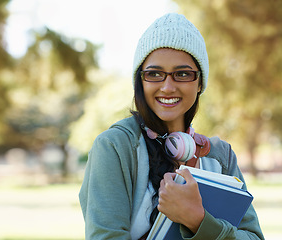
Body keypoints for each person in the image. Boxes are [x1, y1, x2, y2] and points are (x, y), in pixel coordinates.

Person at [79, 13, 264, 240]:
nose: (167, 87)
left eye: (183, 74)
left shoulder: (220, 155)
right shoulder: (114, 147)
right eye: (154, 74)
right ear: (140, 81)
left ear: (199, 83)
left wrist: (197, 220)